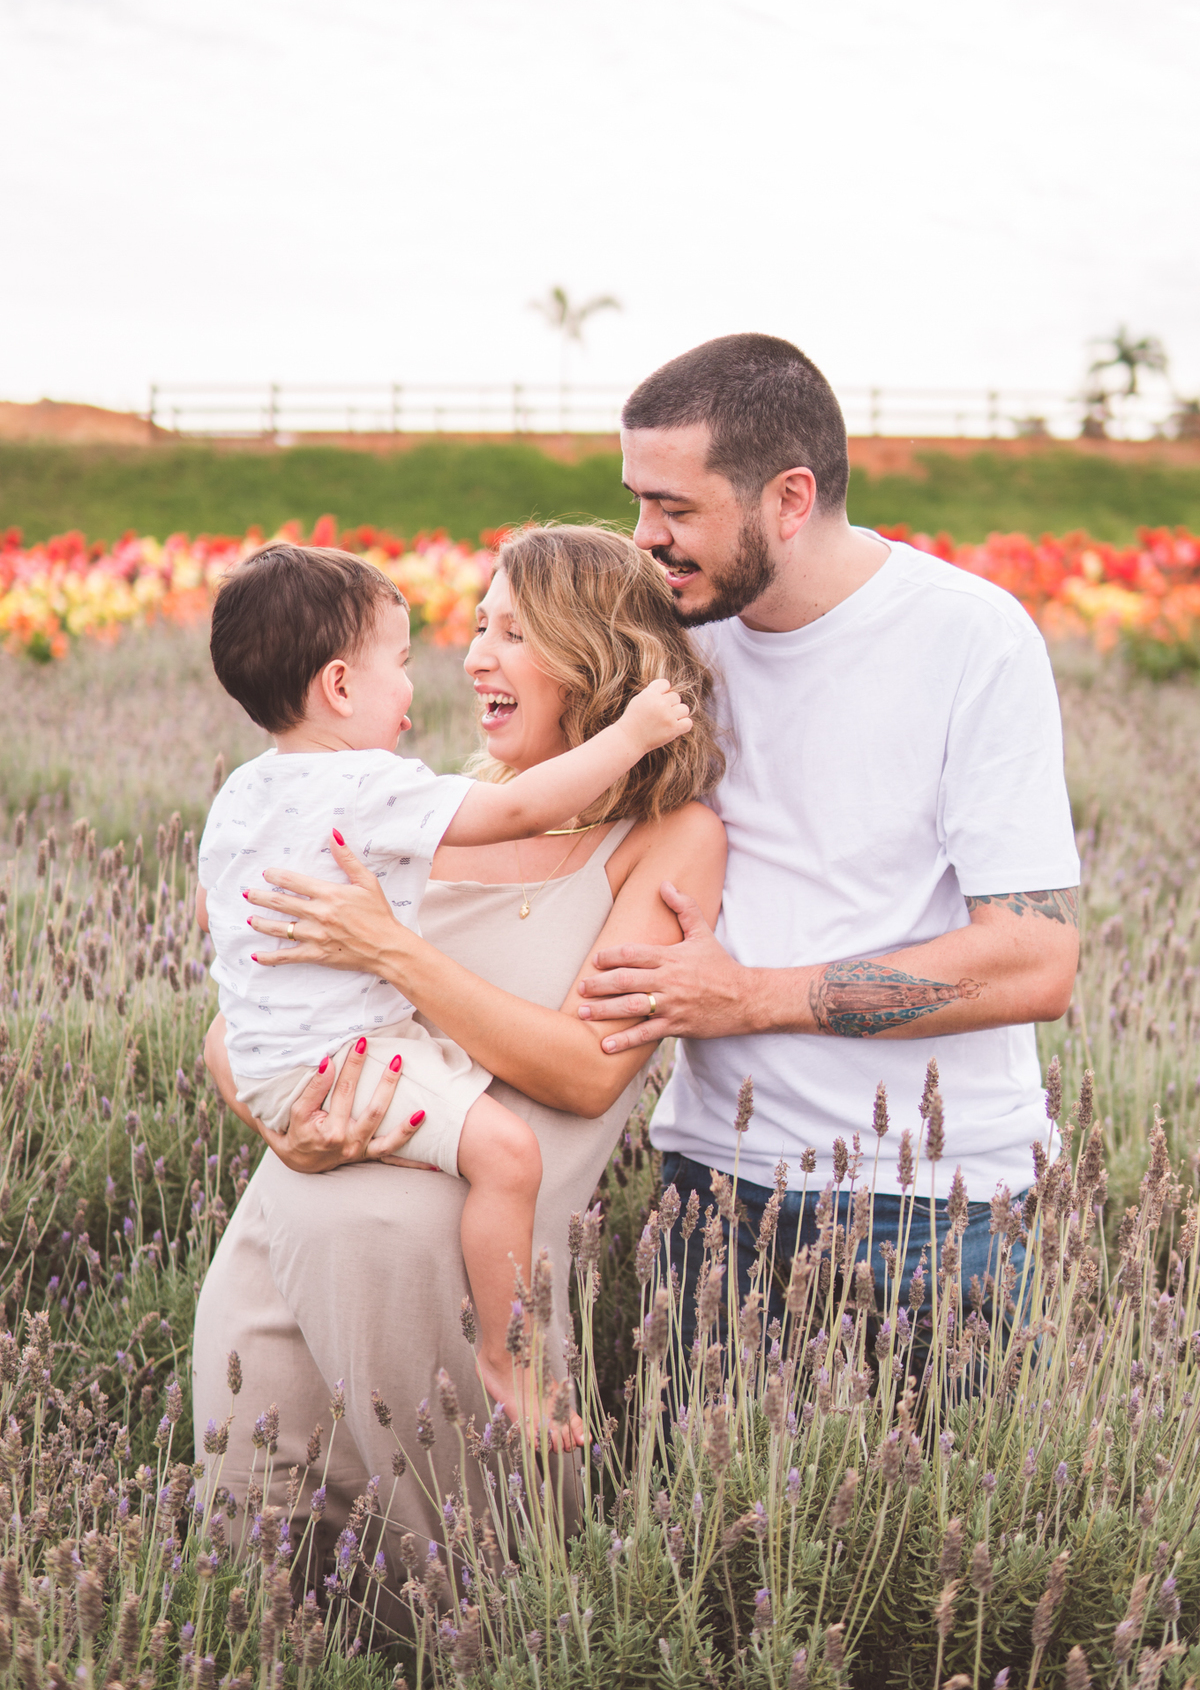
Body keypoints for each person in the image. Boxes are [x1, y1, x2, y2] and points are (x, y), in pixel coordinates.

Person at [191, 525, 726, 1605]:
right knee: (246, 1611)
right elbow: (243, 1007)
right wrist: (270, 1114)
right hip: (279, 1273)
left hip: (444, 1318)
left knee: (492, 1613)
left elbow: (585, 1073)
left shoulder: (669, 838)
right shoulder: (417, 806)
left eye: (512, 631)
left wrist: (395, 950)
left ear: (597, 660)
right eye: (475, 626)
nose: (473, 656)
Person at [571, 333, 1081, 1345]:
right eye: (638, 501)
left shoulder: (968, 637)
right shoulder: (668, 634)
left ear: (790, 500)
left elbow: (1036, 959)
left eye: (675, 509)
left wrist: (746, 998)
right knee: (685, 1502)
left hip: (932, 1212)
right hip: (709, 1187)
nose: (644, 537)